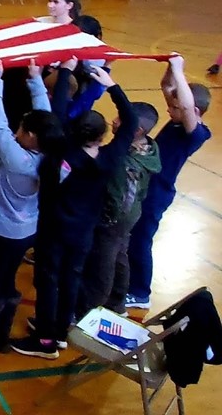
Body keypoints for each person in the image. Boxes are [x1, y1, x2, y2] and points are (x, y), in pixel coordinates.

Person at [10, 58, 135, 360]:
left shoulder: (60, 151)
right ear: (102, 136)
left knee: (48, 280)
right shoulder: (109, 158)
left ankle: (44, 340)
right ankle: (62, 329)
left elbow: (60, 110)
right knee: (72, 277)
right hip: (83, 232)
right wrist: (113, 88)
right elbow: (130, 122)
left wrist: (65, 71)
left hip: (53, 229)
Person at [0, 60, 63, 359]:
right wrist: (34, 80)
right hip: (26, 229)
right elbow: (48, 119)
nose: (18, 128)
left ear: (31, 136)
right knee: (7, 282)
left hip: (0, 231)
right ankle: (1, 336)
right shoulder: (51, 154)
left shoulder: (17, 158)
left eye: (23, 127)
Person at [126, 55, 211, 309]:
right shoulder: (178, 120)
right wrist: (171, 69)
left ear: (194, 112)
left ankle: (141, 292)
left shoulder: (194, 134)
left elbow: (185, 107)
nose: (169, 109)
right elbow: (167, 88)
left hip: (156, 192)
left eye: (174, 108)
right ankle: (129, 278)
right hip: (145, 187)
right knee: (131, 235)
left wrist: (180, 70)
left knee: (141, 238)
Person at [78, 99, 160, 318]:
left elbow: (116, 197)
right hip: (131, 214)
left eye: (120, 120)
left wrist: (106, 220)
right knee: (119, 255)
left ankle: (88, 311)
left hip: (115, 218)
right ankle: (117, 303)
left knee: (101, 263)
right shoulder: (150, 149)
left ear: (137, 130)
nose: (114, 122)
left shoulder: (122, 162)